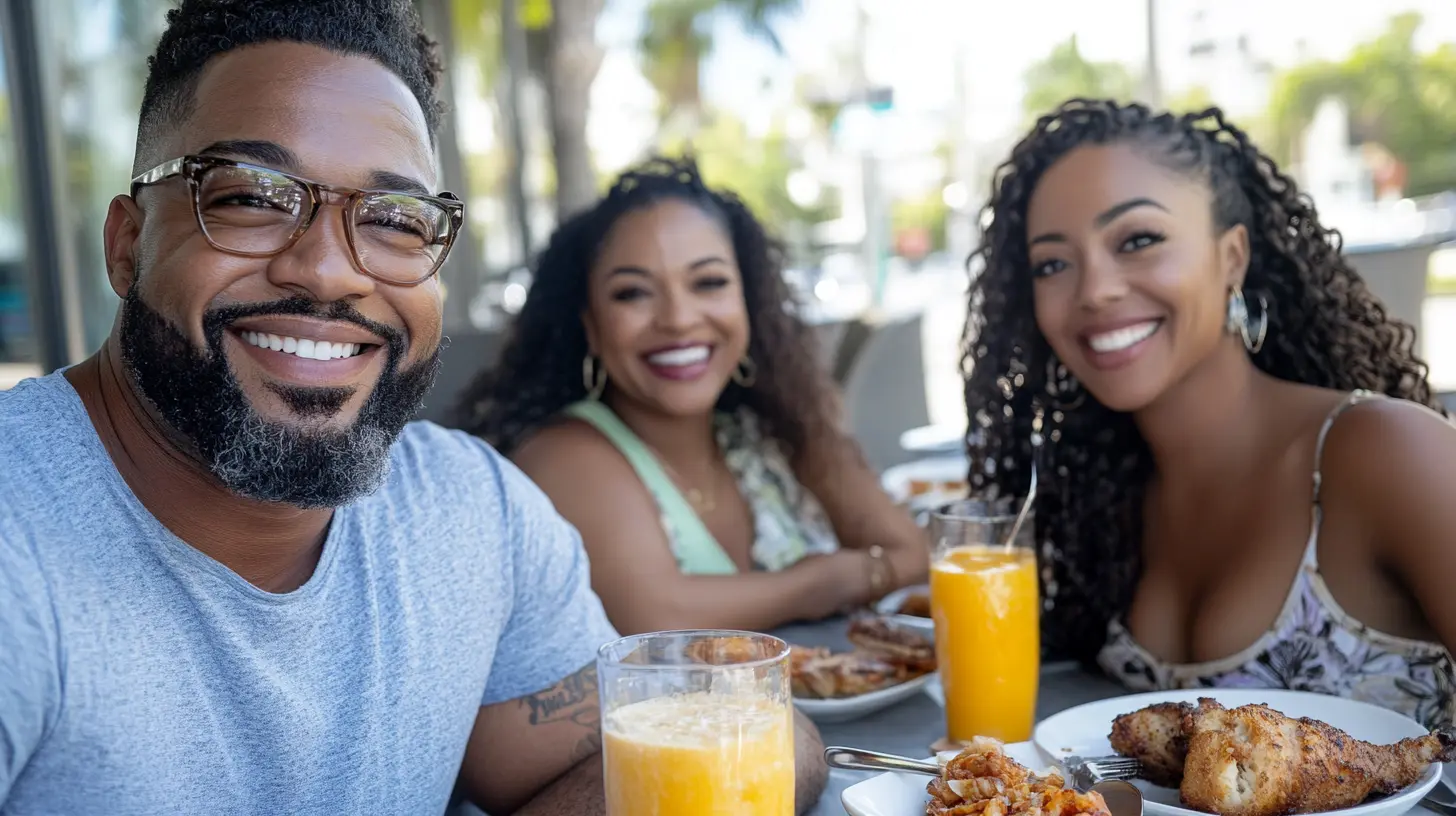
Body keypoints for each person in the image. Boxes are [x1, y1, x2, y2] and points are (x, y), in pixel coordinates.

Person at [0, 2, 828, 813]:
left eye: (395, 219)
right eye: (252, 197)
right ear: (127, 244)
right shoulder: (20, 544)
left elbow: (741, 745)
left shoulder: (470, 515)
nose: (329, 271)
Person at [962, 98, 1456, 728]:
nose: (1095, 290)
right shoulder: (1095, 497)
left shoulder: (1385, 452)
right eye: (1053, 263)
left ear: (1232, 258)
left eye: (1138, 240)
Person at [456, 157, 929, 635]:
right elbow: (658, 615)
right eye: (632, 293)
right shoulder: (564, 454)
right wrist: (830, 580)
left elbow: (914, 552)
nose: (679, 319)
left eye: (709, 283)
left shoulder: (778, 427)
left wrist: (854, 573)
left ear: (749, 303)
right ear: (591, 326)